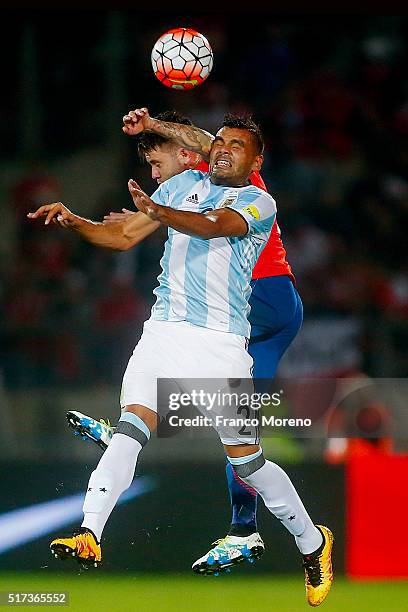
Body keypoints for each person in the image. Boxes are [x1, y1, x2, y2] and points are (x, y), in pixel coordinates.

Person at [28, 114, 333, 607]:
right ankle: (90, 532)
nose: (226, 149)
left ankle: (312, 543)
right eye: (222, 142)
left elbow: (215, 228)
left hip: (220, 345)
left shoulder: (258, 201)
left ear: (256, 162)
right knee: (131, 428)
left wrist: (161, 212)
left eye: (238, 145)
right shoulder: (180, 185)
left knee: (249, 463)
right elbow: (122, 236)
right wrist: (75, 221)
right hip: (162, 333)